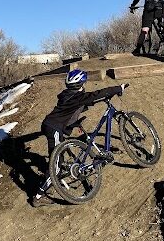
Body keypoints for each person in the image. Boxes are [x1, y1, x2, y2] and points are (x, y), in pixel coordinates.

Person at [31, 69, 128, 207]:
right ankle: (38, 197)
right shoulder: (77, 97)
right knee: (56, 165)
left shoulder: (69, 95)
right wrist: (118, 88)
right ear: (81, 83)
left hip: (51, 125)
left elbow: (84, 103)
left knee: (58, 157)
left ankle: (52, 181)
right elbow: (96, 94)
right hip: (54, 128)